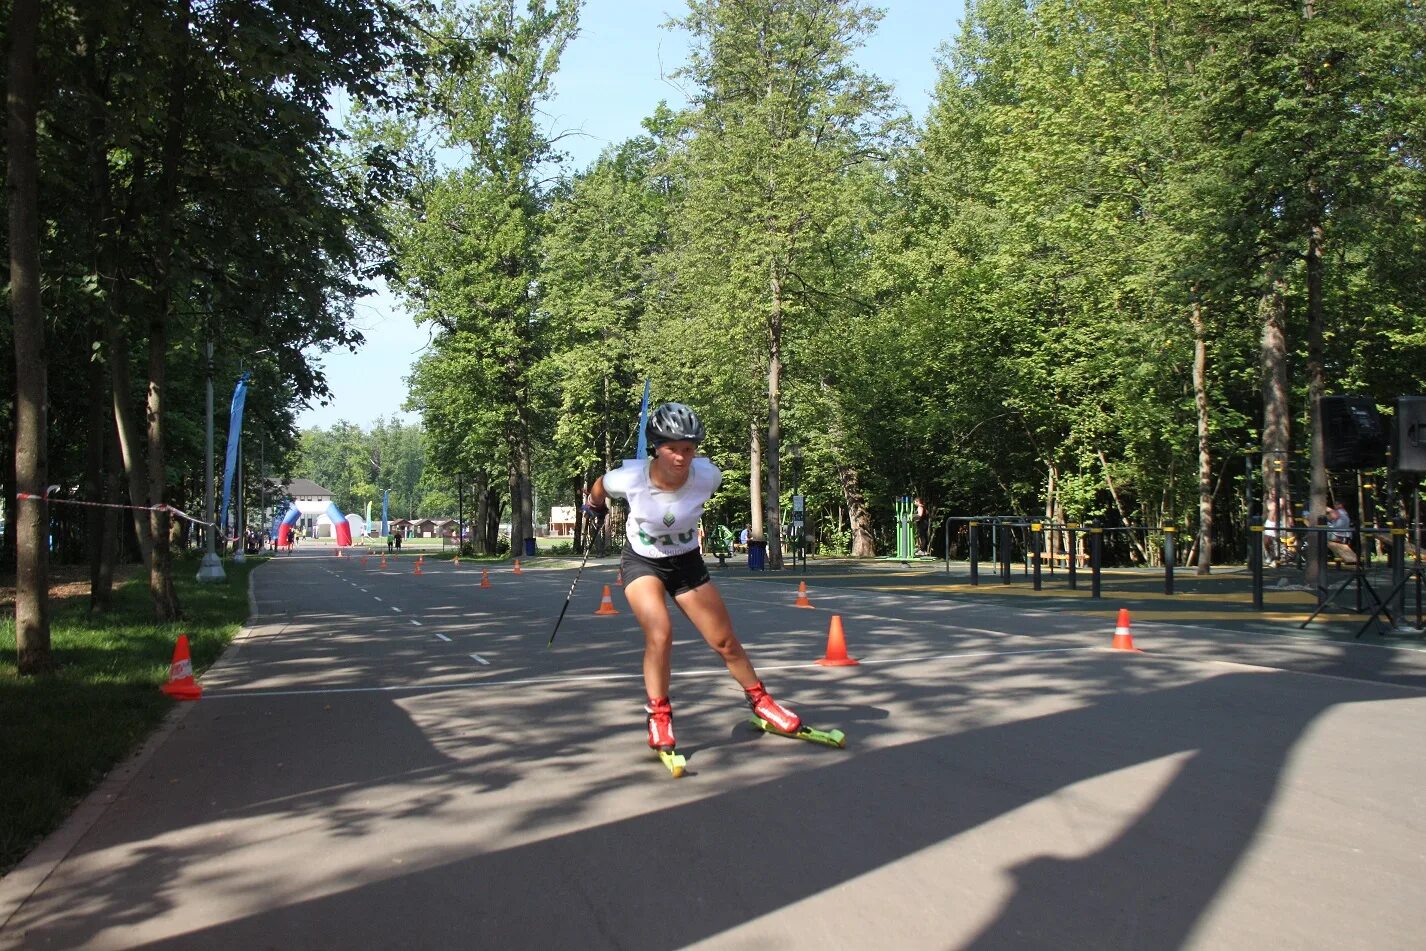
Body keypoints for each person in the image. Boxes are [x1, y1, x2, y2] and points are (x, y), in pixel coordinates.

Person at [584, 402, 803, 754]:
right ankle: (659, 716)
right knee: (660, 633)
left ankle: (761, 701)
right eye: (672, 449)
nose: (681, 457)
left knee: (725, 642)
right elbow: (599, 486)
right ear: (657, 446)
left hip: (686, 562)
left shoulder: (708, 475)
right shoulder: (629, 479)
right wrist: (594, 507)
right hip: (642, 563)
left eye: (688, 449)